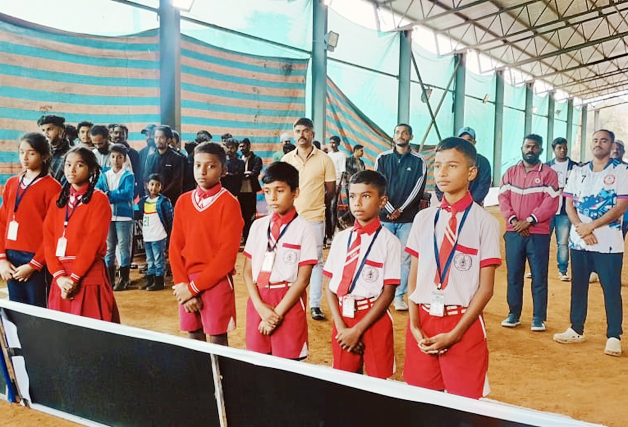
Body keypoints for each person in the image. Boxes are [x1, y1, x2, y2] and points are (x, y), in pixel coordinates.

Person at [404, 137, 501, 399]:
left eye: (452, 166)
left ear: (471, 172)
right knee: (421, 402)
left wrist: (455, 334)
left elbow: (486, 289)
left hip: (462, 324)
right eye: (437, 166)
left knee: (464, 405)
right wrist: (414, 325)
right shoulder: (423, 218)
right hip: (422, 322)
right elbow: (413, 280)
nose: (442, 173)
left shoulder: (485, 223)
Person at [554, 129, 628, 357]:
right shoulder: (579, 171)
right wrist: (581, 228)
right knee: (578, 287)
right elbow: (569, 204)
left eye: (604, 140)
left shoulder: (622, 171)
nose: (598, 144)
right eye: (595, 140)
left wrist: (591, 226)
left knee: (611, 289)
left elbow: (620, 207)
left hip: (608, 244)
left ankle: (613, 336)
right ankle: (576, 328)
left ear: (612, 145)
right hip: (579, 242)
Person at [324, 170, 400, 378]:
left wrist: (357, 330)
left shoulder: (389, 242)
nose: (357, 203)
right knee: (345, 381)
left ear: (382, 201)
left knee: (378, 381)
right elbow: (330, 287)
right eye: (352, 196)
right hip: (343, 318)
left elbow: (388, 293)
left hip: (373, 318)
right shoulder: (341, 239)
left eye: (365, 196)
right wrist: (342, 327)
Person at [170, 142, 244, 345]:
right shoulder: (183, 201)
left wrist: (193, 289)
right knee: (194, 337)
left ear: (224, 170)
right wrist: (183, 286)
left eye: (210, 166)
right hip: (187, 281)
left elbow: (226, 257)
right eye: (197, 165)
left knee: (218, 340)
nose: (202, 172)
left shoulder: (229, 203)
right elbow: (175, 248)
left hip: (216, 282)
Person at [243, 162, 317, 359]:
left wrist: (275, 316)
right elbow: (248, 272)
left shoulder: (305, 230)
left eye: (280, 190)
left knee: (288, 365)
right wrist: (260, 308)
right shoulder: (257, 226)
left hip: (288, 302)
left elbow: (303, 279)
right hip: (258, 300)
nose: (272, 197)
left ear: (295, 192)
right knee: (258, 363)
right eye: (267, 191)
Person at [43, 147, 119, 322]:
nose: (72, 169)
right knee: (62, 332)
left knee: (91, 330)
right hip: (61, 277)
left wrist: (74, 278)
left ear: (91, 169)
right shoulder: (57, 201)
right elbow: (48, 240)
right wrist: (59, 276)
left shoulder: (99, 200)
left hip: (87, 275)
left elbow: (93, 242)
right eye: (68, 164)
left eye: (79, 165)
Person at [498, 134, 559, 332]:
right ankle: (513, 314)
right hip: (514, 232)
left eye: (535, 147)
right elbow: (503, 198)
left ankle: (538, 318)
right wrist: (515, 221)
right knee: (514, 276)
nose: (530, 150)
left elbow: (551, 203)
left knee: (539, 277)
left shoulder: (549, 174)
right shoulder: (510, 173)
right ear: (522, 148)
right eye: (527, 146)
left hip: (538, 233)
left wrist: (530, 221)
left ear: (541, 150)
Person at [282, 118, 336, 321]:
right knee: (289, 258)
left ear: (312, 134)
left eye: (305, 131)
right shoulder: (287, 159)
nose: (301, 134)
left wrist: (316, 205)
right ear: (294, 134)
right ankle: (290, 301)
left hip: (314, 217)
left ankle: (314, 305)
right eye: (298, 131)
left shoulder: (325, 160)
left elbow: (331, 191)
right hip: (290, 218)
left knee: (315, 261)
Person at [0, 133, 61, 307]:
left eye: (31, 153)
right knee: (17, 310)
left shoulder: (53, 188)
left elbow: (54, 232)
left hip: (37, 259)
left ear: (44, 156)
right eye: (21, 152)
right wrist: (2, 259)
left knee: (37, 310)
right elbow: (2, 222)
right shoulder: (12, 183)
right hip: (11, 258)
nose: (24, 158)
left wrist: (34, 264)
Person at [375, 123, 427, 311]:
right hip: (384, 218)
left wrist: (401, 209)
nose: (401, 135)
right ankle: (380, 294)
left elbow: (418, 189)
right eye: (397, 132)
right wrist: (389, 208)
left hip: (407, 219)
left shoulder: (419, 161)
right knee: (382, 255)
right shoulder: (382, 158)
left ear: (411, 137)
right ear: (393, 135)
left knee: (405, 258)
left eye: (405, 132)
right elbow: (377, 185)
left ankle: (398, 297)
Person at [96, 144, 135, 292]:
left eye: (119, 157)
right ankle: (109, 279)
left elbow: (127, 194)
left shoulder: (128, 175)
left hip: (124, 216)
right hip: (107, 215)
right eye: (113, 156)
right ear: (109, 159)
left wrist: (109, 195)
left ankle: (124, 279)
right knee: (109, 248)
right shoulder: (104, 174)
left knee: (124, 247)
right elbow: (98, 190)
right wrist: (111, 194)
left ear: (124, 159)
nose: (116, 160)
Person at [546, 137, 579, 281]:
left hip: (565, 211)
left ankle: (563, 270)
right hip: (547, 211)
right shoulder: (546, 167)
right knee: (542, 241)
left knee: (563, 242)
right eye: (559, 148)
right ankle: (537, 269)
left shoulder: (575, 167)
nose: (563, 150)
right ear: (554, 150)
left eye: (565, 147)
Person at [436, 127, 492, 205]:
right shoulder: (448, 160)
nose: (465, 143)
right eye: (462, 140)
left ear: (474, 142)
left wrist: (469, 203)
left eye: (469, 140)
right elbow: (440, 182)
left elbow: (483, 185)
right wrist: (446, 201)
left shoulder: (483, 162)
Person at [136, 174, 173, 291]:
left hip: (159, 236)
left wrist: (169, 233)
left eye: (157, 185)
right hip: (147, 236)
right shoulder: (143, 201)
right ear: (147, 185)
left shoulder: (163, 201)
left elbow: (169, 219)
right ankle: (150, 280)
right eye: (152, 184)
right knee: (150, 260)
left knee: (158, 259)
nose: (154, 187)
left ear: (161, 187)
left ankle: (159, 282)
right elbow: (139, 212)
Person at [148, 125, 185, 205]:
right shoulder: (150, 158)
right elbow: (145, 178)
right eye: (156, 137)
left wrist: (161, 196)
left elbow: (176, 182)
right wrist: (152, 193)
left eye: (161, 137)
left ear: (168, 139)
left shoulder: (177, 158)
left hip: (170, 201)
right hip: (152, 200)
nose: (158, 140)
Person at [238, 138, 263, 244]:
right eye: (240, 147)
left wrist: (248, 174)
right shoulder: (238, 159)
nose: (241, 149)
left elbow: (255, 172)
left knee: (251, 215)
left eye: (243, 146)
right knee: (241, 215)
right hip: (239, 191)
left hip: (251, 191)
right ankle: (244, 237)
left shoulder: (256, 159)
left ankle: (251, 238)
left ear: (249, 146)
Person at [111, 124, 141, 197]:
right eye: (116, 133)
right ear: (111, 135)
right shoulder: (107, 152)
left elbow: (137, 174)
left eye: (121, 133)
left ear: (126, 136)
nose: (118, 135)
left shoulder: (133, 153)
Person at [37, 115, 70, 183]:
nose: (45, 133)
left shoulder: (69, 154)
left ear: (61, 131)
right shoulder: (39, 152)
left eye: (49, 129)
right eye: (43, 130)